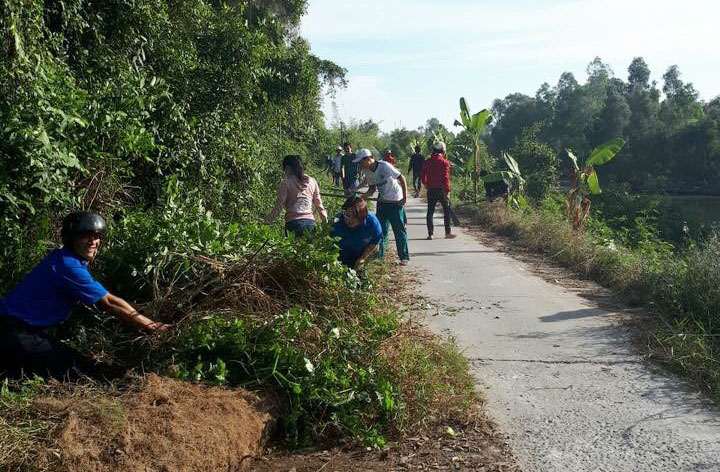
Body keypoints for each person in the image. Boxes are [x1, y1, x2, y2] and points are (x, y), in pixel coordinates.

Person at [0, 212, 171, 380]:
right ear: (71, 238)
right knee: (82, 370)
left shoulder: (66, 259)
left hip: (19, 329)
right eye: (85, 236)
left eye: (96, 236)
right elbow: (109, 302)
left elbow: (105, 296)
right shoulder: (67, 266)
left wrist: (141, 312)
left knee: (57, 364)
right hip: (13, 331)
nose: (93, 242)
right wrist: (151, 324)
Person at [355, 148, 410, 265]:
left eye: (361, 161)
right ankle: (380, 256)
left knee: (398, 229)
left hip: (395, 200)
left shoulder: (384, 166)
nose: (360, 164)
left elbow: (402, 178)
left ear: (368, 159)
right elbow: (372, 188)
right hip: (383, 200)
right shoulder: (367, 171)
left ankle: (404, 257)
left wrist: (404, 197)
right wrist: (363, 197)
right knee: (381, 230)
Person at [265, 155, 328, 236]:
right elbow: (319, 203)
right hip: (310, 224)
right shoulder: (312, 181)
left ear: (287, 168)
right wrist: (325, 220)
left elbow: (279, 204)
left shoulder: (286, 182)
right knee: (308, 248)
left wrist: (268, 221)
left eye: (284, 170)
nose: (284, 173)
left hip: (293, 224)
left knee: (292, 248)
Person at [330, 197, 383, 271]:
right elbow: (329, 246)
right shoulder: (336, 223)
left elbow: (375, 242)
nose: (349, 219)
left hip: (361, 253)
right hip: (341, 256)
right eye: (347, 215)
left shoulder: (372, 223)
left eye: (354, 217)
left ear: (363, 217)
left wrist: (363, 258)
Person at [422, 141, 457, 240]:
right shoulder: (445, 162)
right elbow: (445, 177)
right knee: (446, 211)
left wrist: (425, 184)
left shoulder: (427, 161)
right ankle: (447, 233)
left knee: (430, 211)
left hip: (431, 190)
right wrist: (447, 191)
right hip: (441, 190)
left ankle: (430, 234)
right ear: (443, 150)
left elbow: (422, 174)